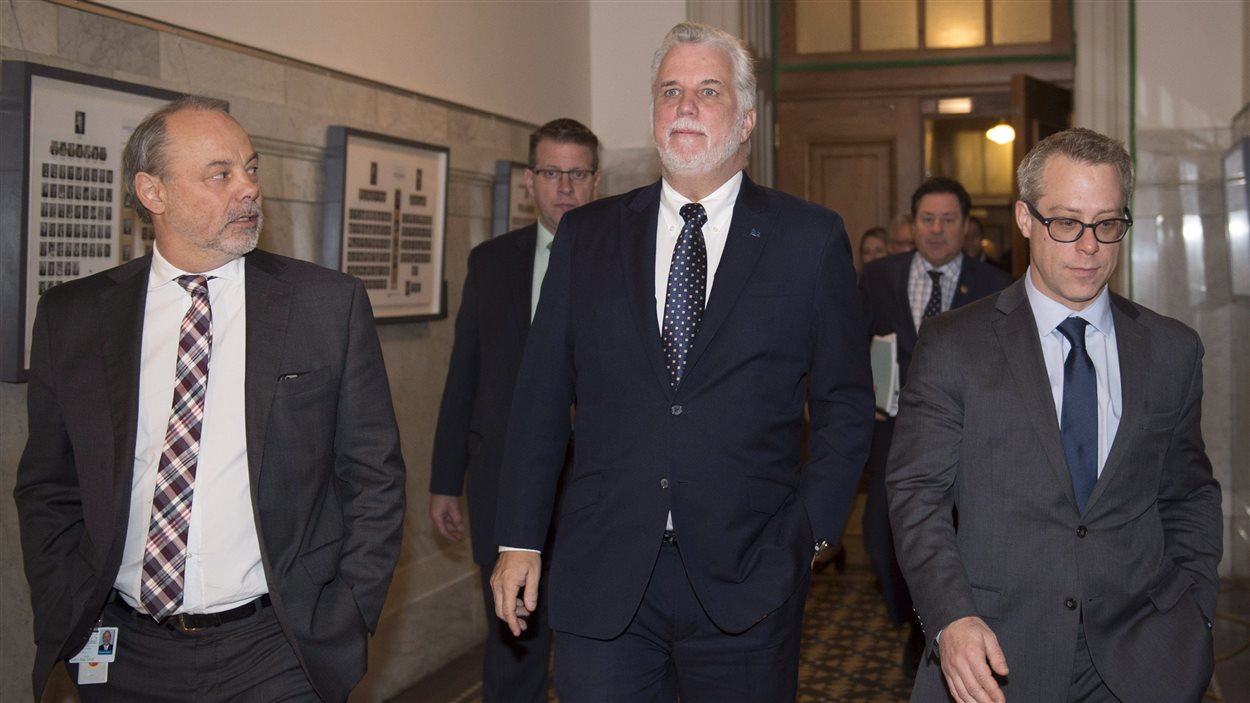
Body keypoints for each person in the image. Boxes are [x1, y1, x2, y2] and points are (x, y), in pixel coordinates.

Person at [489, 22, 874, 701]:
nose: (685, 106)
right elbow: (541, 397)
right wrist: (520, 537)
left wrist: (810, 532)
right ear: (653, 113)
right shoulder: (589, 236)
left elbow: (845, 405)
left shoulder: (808, 241)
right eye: (671, 91)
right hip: (605, 576)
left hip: (748, 579)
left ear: (747, 118)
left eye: (707, 90)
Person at [14, 96, 406, 703]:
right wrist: (65, 604)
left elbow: (373, 476)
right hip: (123, 647)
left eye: (251, 169)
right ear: (154, 192)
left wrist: (345, 614)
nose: (247, 189)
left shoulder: (325, 306)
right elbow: (49, 483)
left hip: (278, 648)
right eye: (220, 175)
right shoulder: (76, 316)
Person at [888, 128, 1222, 702]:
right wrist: (951, 619)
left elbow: (1188, 495)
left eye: (1108, 223)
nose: (1088, 246)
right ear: (1024, 218)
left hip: (1143, 662)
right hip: (994, 657)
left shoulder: (1173, 350)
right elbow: (917, 494)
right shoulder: (954, 344)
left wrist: (1195, 617)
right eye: (1066, 222)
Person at [429, 118, 600, 703]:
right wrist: (445, 481)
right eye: (552, 173)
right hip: (505, 481)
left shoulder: (622, 261)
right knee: (514, 643)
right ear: (531, 180)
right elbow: (465, 377)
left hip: (596, 491)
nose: (565, 187)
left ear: (595, 181)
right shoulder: (492, 263)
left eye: (578, 174)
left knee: (595, 645)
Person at [858, 177, 1012, 674]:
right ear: (913, 223)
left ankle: (938, 628)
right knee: (884, 543)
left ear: (966, 227)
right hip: (891, 439)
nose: (938, 230)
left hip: (968, 446)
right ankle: (914, 622)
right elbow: (850, 348)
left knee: (951, 541)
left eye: (949, 220)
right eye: (928, 219)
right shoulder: (879, 277)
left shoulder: (996, 286)